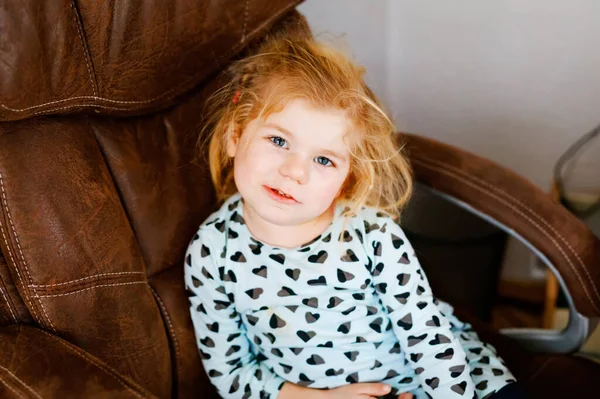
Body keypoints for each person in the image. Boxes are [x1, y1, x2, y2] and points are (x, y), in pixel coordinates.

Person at [184, 35, 523, 399]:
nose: (295, 171)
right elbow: (232, 374)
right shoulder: (210, 252)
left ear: (348, 179)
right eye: (278, 141)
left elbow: (427, 336)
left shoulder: (371, 234)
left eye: (324, 160)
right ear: (235, 136)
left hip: (447, 381)